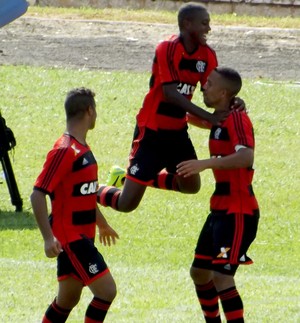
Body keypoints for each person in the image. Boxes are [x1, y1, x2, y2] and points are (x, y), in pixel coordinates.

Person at [98, 2, 244, 213]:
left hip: (177, 133)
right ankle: (90, 190)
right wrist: (210, 118)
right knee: (126, 204)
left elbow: (212, 92)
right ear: (187, 24)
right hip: (152, 131)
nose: (208, 29)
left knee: (190, 186)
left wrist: (233, 101)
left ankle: (133, 177)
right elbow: (170, 93)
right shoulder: (167, 48)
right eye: (204, 23)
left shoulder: (207, 55)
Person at [177, 67, 260, 322]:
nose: (204, 87)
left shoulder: (237, 120)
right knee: (199, 272)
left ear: (223, 92)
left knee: (223, 276)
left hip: (239, 212)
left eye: (209, 84)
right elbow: (189, 115)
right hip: (220, 210)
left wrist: (204, 164)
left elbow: (246, 156)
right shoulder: (220, 118)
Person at [30, 88, 119, 323]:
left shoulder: (82, 149)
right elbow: (37, 194)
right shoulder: (64, 150)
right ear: (90, 110)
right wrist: (48, 238)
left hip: (83, 235)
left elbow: (85, 194)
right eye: (95, 110)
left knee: (67, 300)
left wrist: (102, 224)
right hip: (70, 238)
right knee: (107, 291)